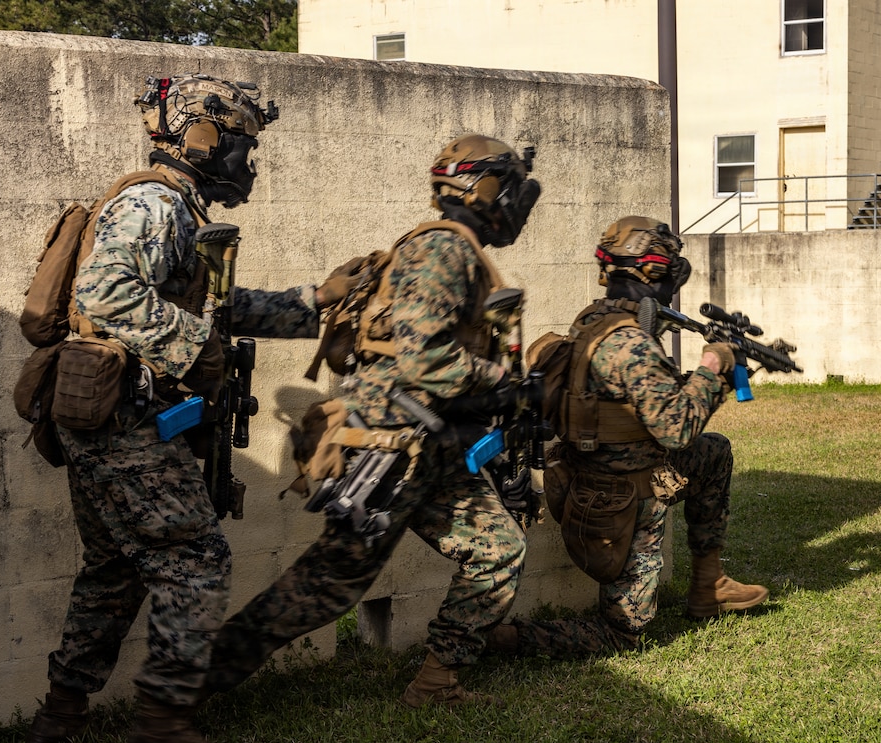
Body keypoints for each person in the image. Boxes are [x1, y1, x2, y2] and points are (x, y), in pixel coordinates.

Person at [25, 73, 356, 743]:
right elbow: (107, 295)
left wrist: (315, 303)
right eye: (243, 143)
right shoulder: (156, 205)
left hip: (104, 416)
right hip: (125, 422)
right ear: (204, 139)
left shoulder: (172, 207)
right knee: (194, 560)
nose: (249, 161)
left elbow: (217, 308)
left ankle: (59, 715)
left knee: (115, 570)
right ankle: (161, 733)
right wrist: (196, 346)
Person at [203, 133, 541, 707]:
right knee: (326, 586)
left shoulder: (451, 249)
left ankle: (437, 681)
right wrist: (502, 381)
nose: (517, 204)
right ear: (483, 188)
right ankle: (187, 689)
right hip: (393, 447)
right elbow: (424, 358)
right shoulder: (443, 251)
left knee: (497, 548)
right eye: (510, 189)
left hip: (432, 444)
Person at [487, 216, 769, 660]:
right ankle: (506, 640)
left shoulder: (595, 320)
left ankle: (708, 584)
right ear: (657, 273)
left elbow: (633, 393)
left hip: (586, 479)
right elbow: (676, 428)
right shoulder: (633, 344)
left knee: (714, 453)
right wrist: (713, 366)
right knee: (622, 633)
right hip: (623, 499)